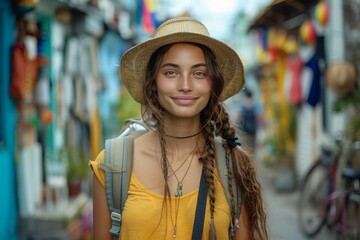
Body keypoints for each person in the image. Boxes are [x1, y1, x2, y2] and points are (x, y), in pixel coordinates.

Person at [89, 16, 268, 240]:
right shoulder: (113, 165)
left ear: (212, 82)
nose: (185, 85)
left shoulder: (233, 167)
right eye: (171, 72)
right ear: (153, 82)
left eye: (199, 73)